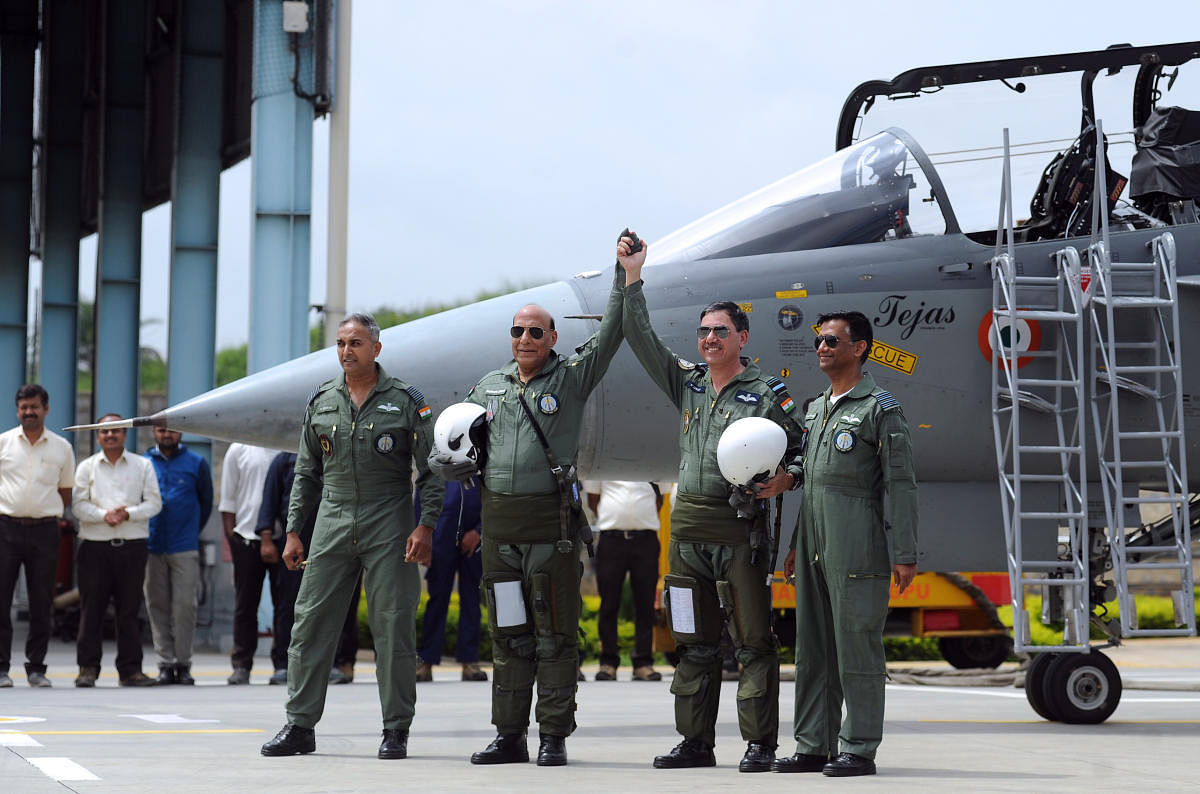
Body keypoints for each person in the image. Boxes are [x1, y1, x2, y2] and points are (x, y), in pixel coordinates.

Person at [618, 235, 804, 773]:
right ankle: (696, 742)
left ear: (742, 337)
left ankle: (759, 744)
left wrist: (784, 481)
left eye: (721, 331)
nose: (710, 339)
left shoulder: (767, 393)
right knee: (692, 642)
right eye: (703, 332)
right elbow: (641, 336)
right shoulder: (689, 385)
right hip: (688, 535)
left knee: (752, 644)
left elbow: (802, 447)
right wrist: (632, 276)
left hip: (740, 531)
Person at [440, 246, 626, 768]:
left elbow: (611, 338)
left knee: (553, 635)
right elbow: (457, 450)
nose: (525, 339)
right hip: (500, 532)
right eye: (518, 332)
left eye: (536, 332)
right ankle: (508, 735)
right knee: (509, 634)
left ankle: (553, 736)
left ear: (553, 339)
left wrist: (624, 279)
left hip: (550, 530)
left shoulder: (568, 379)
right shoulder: (488, 387)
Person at [260, 313, 443, 761]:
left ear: (376, 349)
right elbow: (306, 472)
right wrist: (294, 532)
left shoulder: (406, 401)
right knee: (309, 625)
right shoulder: (321, 400)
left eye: (356, 342)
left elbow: (433, 468)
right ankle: (299, 726)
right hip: (333, 519)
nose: (347, 351)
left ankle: (395, 728)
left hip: (390, 521)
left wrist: (426, 525)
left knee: (393, 626)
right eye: (341, 343)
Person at [775, 311, 918, 777]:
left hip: (857, 540)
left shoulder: (879, 408)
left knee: (856, 647)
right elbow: (812, 484)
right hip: (815, 539)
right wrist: (796, 544)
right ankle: (813, 744)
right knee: (811, 649)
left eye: (832, 340)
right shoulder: (815, 409)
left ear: (859, 348)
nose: (821, 347)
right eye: (819, 340)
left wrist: (906, 554)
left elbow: (902, 485)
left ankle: (858, 746)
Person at [256, 451, 362, 687]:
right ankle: (283, 664)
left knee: (334, 604)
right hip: (296, 541)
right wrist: (266, 538)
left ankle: (333, 663)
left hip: (336, 540)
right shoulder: (285, 460)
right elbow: (270, 502)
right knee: (288, 604)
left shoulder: (340, 452)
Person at [71, 413, 162, 687]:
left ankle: (130, 670)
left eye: (116, 431)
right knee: (92, 610)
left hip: (131, 548)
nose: (110, 435)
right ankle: (87, 669)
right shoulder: (87, 467)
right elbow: (77, 506)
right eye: (104, 432)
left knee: (129, 610)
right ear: (98, 436)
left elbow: (154, 504)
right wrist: (103, 515)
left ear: (125, 434)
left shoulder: (143, 465)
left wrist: (128, 514)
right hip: (94, 548)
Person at [0, 384, 75, 688]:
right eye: (23, 408)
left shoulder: (61, 448)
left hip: (45, 531)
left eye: (34, 407)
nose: (29, 412)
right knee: (1, 600)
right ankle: (1, 668)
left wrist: (45, 512)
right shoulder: (3, 442)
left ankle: (36, 668)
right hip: (5, 528)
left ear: (46, 409)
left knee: (41, 601)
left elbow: (66, 492)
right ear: (17, 410)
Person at [144, 425, 214, 685]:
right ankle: (165, 663)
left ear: (182, 433)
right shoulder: (144, 462)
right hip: (151, 546)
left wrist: (191, 530)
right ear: (154, 432)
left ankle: (183, 663)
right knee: (156, 606)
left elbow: (206, 502)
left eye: (172, 431)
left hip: (184, 545)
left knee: (185, 606)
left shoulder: (196, 463)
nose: (166, 435)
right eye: (161, 431)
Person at [581, 480, 663, 683]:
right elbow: (593, 499)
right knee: (609, 603)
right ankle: (608, 663)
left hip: (646, 539)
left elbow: (660, 497)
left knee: (645, 604)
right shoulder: (606, 455)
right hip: (612, 539)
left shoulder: (654, 455)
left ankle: (643, 663)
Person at [220, 443, 282, 685]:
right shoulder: (238, 449)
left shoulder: (286, 447)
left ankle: (282, 665)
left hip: (283, 540)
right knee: (245, 605)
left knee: (284, 605)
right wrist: (233, 540)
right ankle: (241, 664)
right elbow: (227, 502)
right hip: (246, 539)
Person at [415, 481, 487, 683]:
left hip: (474, 535)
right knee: (437, 600)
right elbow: (423, 492)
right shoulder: (434, 450)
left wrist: (480, 530)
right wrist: (423, 536)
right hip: (441, 533)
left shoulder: (482, 450)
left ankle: (469, 662)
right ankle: (426, 661)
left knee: (472, 599)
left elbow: (495, 492)